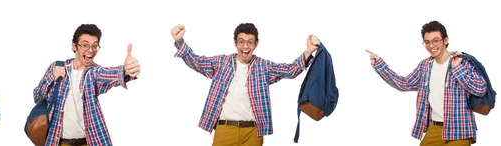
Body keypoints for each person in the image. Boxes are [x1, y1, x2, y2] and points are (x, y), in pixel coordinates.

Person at [170, 23, 319, 146]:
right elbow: (196, 62)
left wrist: (308, 51)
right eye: (241, 41)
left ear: (256, 44)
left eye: (249, 42)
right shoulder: (222, 62)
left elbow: (290, 70)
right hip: (225, 129)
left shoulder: (263, 66)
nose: (245, 46)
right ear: (235, 43)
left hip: (253, 133)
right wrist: (179, 42)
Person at [366, 20, 487, 146]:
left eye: (436, 40)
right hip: (435, 128)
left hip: (460, 128)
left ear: (445, 40)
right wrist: (380, 65)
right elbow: (403, 84)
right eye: (427, 42)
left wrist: (457, 69)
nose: (431, 45)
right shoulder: (425, 66)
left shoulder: (462, 62)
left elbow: (480, 88)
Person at [32, 24, 140, 146]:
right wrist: (52, 77)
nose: (91, 50)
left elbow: (109, 74)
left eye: (95, 46)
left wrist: (126, 70)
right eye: (85, 45)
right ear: (74, 46)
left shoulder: (94, 73)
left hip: (87, 142)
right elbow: (37, 96)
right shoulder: (57, 67)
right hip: (59, 142)